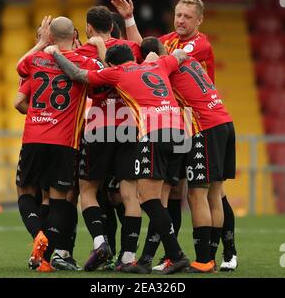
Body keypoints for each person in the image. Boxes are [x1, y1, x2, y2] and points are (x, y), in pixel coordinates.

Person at [112, 0, 238, 271]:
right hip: (180, 124)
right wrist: (130, 20)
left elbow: (159, 60)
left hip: (200, 122)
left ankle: (221, 253)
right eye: (178, 15)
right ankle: (175, 256)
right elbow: (146, 50)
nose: (181, 20)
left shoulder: (199, 44)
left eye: (187, 17)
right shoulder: (168, 40)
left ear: (199, 21)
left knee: (209, 192)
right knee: (176, 191)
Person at [47, 43, 191, 274]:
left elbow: (77, 74)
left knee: (148, 199)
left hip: (154, 131)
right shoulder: (157, 64)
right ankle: (162, 256)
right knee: (153, 197)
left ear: (113, 64)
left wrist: (54, 52)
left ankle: (176, 255)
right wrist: (167, 54)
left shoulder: (117, 72)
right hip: (180, 131)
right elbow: (181, 55)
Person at [14, 16, 102, 272]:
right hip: (65, 142)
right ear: (73, 37)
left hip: (33, 138)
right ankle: (46, 255)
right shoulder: (84, 62)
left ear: (49, 36)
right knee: (59, 199)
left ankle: (37, 234)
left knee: (25, 193)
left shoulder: (35, 61)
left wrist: (41, 43)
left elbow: (19, 67)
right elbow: (102, 72)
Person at [74, 6, 142, 271]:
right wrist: (129, 18)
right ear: (112, 27)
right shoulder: (129, 48)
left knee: (88, 189)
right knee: (129, 193)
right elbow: (145, 50)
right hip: (129, 126)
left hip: (99, 125)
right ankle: (128, 257)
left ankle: (101, 242)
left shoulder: (82, 53)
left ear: (89, 27)